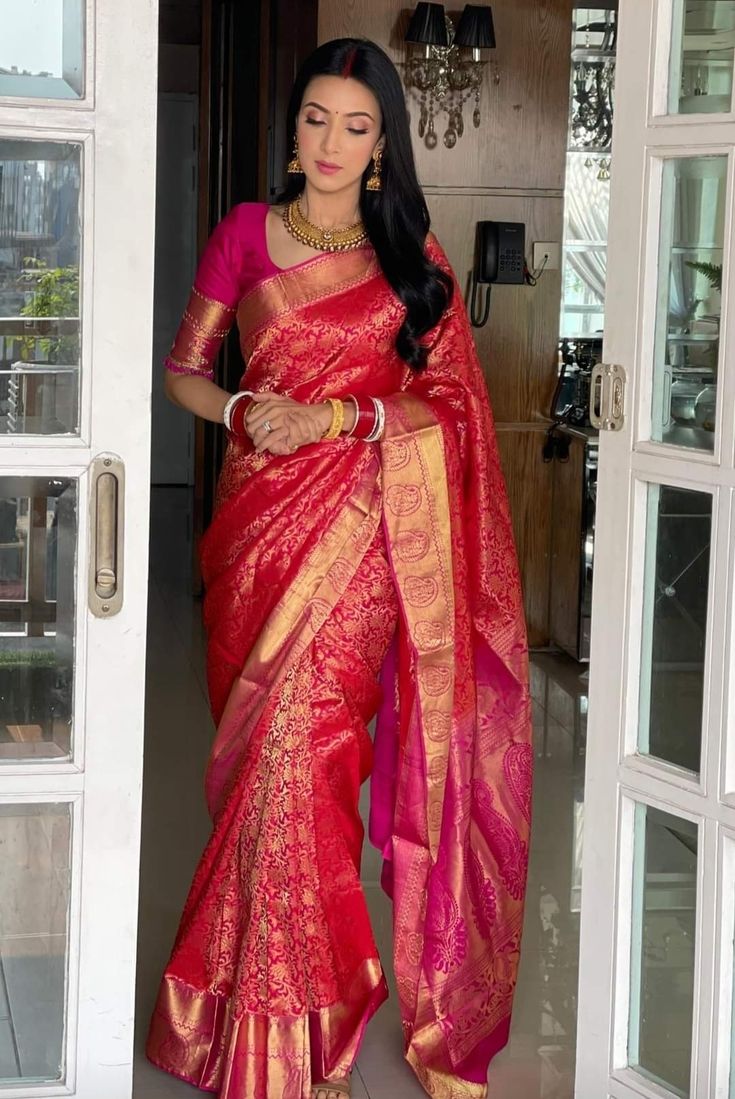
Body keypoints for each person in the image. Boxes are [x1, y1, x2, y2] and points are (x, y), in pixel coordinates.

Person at [145, 36, 532, 1099]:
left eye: (355, 126)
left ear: (381, 148)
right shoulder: (243, 237)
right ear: (295, 130)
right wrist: (237, 410)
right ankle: (244, 1021)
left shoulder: (415, 259)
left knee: (309, 769)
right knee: (258, 777)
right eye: (315, 118)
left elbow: (453, 412)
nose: (329, 141)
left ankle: (308, 1042)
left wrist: (339, 413)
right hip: (257, 534)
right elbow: (182, 372)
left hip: (362, 543)